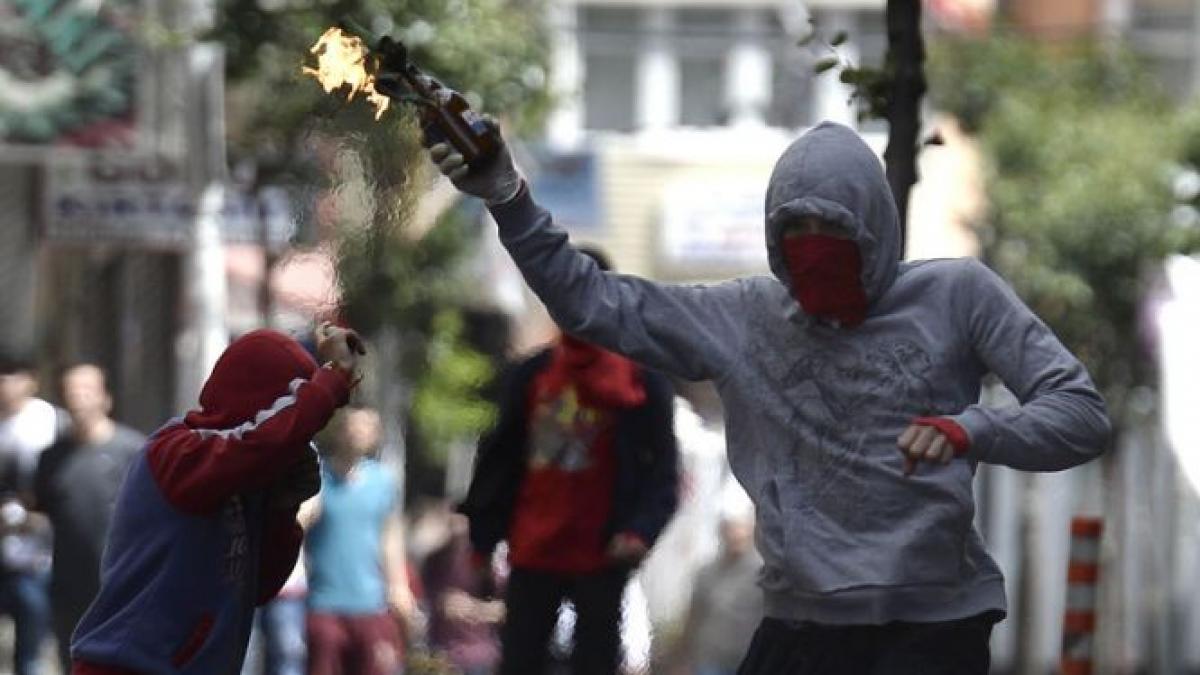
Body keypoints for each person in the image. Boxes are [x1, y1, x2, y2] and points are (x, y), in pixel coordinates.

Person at [424, 120, 1112, 673]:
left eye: (835, 237)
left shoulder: (958, 297)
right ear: (773, 242)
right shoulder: (744, 317)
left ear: (874, 232)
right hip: (803, 622)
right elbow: (592, 300)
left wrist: (972, 430)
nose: (815, 256)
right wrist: (507, 196)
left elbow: (1081, 415)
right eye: (796, 237)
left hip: (931, 624)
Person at [69, 323, 364, 675]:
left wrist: (282, 511)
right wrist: (332, 382)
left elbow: (257, 587)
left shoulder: (244, 478)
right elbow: (261, 442)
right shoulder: (178, 451)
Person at [457, 245, 680, 675]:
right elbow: (498, 462)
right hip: (533, 549)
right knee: (521, 659)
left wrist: (639, 531)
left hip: (602, 554)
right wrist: (482, 543)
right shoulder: (531, 375)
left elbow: (663, 474)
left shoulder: (642, 382)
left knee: (595, 660)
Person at [33, 363, 144, 672]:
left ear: (105, 397)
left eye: (87, 391)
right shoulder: (50, 458)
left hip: (122, 591)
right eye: (71, 391)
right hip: (69, 590)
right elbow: (42, 513)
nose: (78, 398)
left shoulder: (133, 451)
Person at [303, 406, 415, 675]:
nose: (358, 433)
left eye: (366, 427)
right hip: (324, 601)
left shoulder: (383, 481)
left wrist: (399, 585)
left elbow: (390, 537)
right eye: (353, 426)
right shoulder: (317, 478)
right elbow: (297, 525)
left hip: (370, 602)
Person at [0, 355, 57, 675]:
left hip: (37, 557)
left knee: (31, 655)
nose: (5, 384)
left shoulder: (47, 421)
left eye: (12, 375)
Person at [672, 481, 762, 675]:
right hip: (711, 661)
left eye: (740, 527)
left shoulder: (765, 575)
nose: (735, 534)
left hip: (751, 661)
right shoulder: (707, 573)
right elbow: (694, 617)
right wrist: (682, 657)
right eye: (730, 527)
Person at [420, 510, 503, 675]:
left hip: (479, 658)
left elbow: (508, 610)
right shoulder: (434, 560)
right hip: (440, 655)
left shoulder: (489, 562)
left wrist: (473, 608)